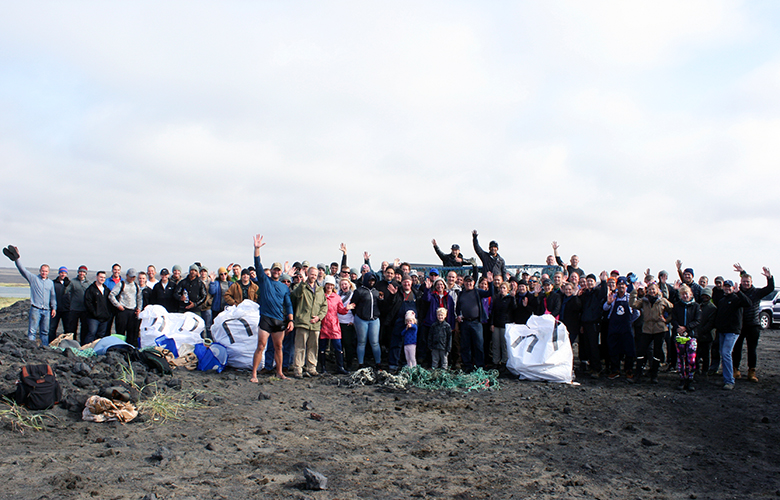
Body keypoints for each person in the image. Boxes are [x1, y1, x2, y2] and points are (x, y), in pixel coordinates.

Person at [250, 235, 294, 382]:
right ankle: (254, 374)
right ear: (272, 270)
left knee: (279, 347)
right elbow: (258, 265)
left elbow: (288, 304)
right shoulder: (264, 281)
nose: (276, 271)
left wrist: (291, 320)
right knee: (261, 346)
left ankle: (280, 372)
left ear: (281, 272)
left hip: (279, 320)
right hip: (266, 319)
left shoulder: (284, 287)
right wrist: (257, 249)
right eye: (274, 269)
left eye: (278, 270)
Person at [6, 246, 56, 346]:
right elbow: (23, 270)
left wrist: (54, 308)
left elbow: (53, 296)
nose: (44, 272)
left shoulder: (50, 283)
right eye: (42, 270)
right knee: (32, 331)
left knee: (45, 331)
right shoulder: (33, 279)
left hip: (46, 310)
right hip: (36, 309)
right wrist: (17, 259)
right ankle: (30, 347)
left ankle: (44, 348)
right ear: (40, 271)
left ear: (48, 272)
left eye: (46, 271)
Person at [731, 264, 773, 382]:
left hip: (753, 325)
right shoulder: (736, 292)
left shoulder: (757, 293)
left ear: (751, 282)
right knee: (737, 348)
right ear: (741, 281)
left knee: (752, 349)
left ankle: (751, 371)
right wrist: (742, 271)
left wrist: (769, 278)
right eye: (744, 281)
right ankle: (736, 370)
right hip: (739, 325)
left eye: (748, 281)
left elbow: (770, 288)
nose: (746, 283)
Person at [630, 282, 673, 385]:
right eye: (650, 290)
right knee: (641, 351)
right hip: (647, 328)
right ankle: (638, 375)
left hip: (660, 329)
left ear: (657, 290)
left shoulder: (663, 301)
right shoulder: (644, 301)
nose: (652, 291)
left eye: (654, 289)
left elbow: (673, 310)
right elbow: (632, 304)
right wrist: (634, 291)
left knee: (657, 352)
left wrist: (666, 320)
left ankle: (654, 375)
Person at [290, 265, 327, 378]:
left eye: (315, 275)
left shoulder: (320, 290)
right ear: (308, 274)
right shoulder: (301, 286)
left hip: (315, 324)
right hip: (302, 321)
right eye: (311, 274)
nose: (313, 276)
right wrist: (303, 282)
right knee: (300, 346)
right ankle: (298, 368)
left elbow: (324, 306)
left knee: (313, 346)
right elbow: (295, 296)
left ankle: (311, 367)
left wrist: (319, 317)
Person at [714, 280, 751, 390]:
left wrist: (739, 292)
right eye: (725, 287)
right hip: (722, 331)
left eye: (729, 287)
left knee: (726, 353)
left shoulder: (737, 299)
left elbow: (748, 303)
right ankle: (726, 378)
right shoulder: (722, 300)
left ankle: (729, 380)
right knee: (723, 354)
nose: (727, 288)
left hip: (732, 331)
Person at [603, 277, 639, 380]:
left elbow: (637, 313)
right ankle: (615, 370)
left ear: (626, 286)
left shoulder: (630, 297)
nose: (621, 286)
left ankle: (628, 370)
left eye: (623, 285)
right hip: (614, 327)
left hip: (626, 328)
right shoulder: (613, 297)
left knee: (629, 350)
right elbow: (605, 308)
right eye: (619, 285)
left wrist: (629, 321)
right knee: (614, 349)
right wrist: (609, 302)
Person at [318, 275, 354, 374]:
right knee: (322, 348)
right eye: (328, 284)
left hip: (334, 325)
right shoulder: (320, 296)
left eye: (331, 285)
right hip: (323, 324)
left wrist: (347, 308)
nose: (329, 286)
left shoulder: (337, 297)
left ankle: (340, 367)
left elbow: (340, 310)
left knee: (338, 347)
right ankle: (323, 368)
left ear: (333, 286)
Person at [455, 274, 492, 372]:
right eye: (467, 281)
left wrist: (490, 282)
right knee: (465, 346)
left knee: (479, 345)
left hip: (476, 322)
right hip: (465, 322)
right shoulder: (461, 293)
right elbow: (458, 308)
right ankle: (467, 366)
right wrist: (458, 315)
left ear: (474, 283)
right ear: (464, 283)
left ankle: (480, 366)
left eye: (470, 281)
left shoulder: (477, 292)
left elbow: (490, 293)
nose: (468, 283)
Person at [350, 272, 382, 368]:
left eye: (373, 280)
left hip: (374, 319)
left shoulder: (377, 292)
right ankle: (360, 363)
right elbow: (353, 305)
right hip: (361, 319)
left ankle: (378, 363)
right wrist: (358, 315)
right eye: (369, 280)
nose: (371, 282)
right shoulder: (359, 291)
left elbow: (381, 306)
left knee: (375, 342)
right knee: (361, 342)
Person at [671, 285, 700, 391]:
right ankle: (682, 378)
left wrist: (686, 328)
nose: (685, 295)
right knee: (681, 358)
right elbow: (673, 319)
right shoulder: (677, 306)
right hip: (679, 335)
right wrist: (678, 328)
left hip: (691, 335)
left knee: (691, 358)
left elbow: (698, 320)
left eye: (687, 293)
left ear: (691, 294)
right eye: (683, 294)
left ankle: (690, 379)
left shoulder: (696, 306)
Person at [109, 268, 143, 346]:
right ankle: (119, 347)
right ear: (127, 275)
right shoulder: (121, 284)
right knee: (121, 332)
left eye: (133, 277)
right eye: (130, 276)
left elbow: (139, 298)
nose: (132, 278)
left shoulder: (136, 286)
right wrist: (118, 305)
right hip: (123, 310)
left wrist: (139, 309)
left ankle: (130, 348)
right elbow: (111, 295)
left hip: (132, 311)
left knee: (132, 333)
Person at [490, 281, 515, 367]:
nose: (502, 290)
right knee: (495, 344)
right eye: (501, 288)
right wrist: (492, 323)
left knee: (504, 345)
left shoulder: (510, 299)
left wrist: (513, 297)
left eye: (504, 288)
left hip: (506, 324)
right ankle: (496, 361)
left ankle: (505, 361)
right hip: (496, 324)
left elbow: (514, 309)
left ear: (508, 290)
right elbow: (493, 311)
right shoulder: (497, 299)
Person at [84, 271, 112, 343]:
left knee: (101, 335)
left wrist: (108, 314)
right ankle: (86, 349)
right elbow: (88, 303)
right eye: (101, 277)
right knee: (92, 333)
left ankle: (97, 350)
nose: (102, 279)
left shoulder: (106, 290)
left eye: (104, 278)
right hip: (93, 317)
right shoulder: (91, 289)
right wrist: (94, 313)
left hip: (104, 318)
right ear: (96, 277)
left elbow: (109, 303)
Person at [65, 265, 91, 342]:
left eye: (83, 272)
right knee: (72, 327)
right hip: (74, 309)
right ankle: (72, 342)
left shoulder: (89, 283)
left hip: (85, 309)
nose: (81, 273)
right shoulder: (72, 282)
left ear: (86, 273)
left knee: (84, 327)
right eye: (80, 271)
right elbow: (66, 292)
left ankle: (82, 343)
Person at [338, 277, 358, 370]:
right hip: (338, 322)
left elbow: (356, 308)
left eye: (345, 284)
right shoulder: (338, 295)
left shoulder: (353, 295)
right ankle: (340, 364)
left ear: (350, 285)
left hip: (348, 322)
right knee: (339, 345)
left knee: (348, 344)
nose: (344, 286)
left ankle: (349, 364)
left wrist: (353, 320)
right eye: (342, 284)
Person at [49, 266, 70, 341]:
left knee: (67, 329)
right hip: (55, 310)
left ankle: (67, 344)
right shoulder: (53, 283)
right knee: (52, 328)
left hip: (67, 310)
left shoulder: (69, 284)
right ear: (59, 273)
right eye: (61, 273)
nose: (63, 274)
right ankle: (51, 344)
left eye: (64, 273)